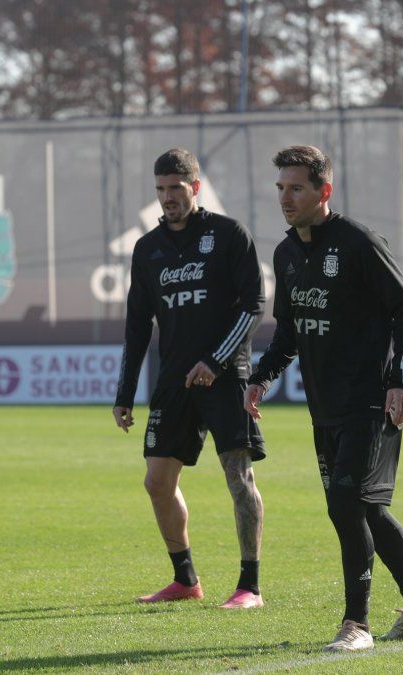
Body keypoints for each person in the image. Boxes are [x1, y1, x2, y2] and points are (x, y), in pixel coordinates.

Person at [245, 145, 403, 651]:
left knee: (345, 503)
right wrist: (261, 377)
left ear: (324, 191)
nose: (285, 198)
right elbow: (288, 331)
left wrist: (402, 380)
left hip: (371, 401)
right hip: (325, 406)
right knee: (364, 509)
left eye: (296, 188)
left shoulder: (359, 243)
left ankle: (356, 624)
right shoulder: (286, 254)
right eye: (281, 188)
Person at [114, 148, 266, 610]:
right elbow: (137, 325)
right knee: (156, 482)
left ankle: (249, 587)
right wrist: (124, 393)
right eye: (160, 189)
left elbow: (253, 306)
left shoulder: (228, 234)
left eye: (176, 188)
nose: (168, 198)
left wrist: (216, 361)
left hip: (226, 377)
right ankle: (185, 579)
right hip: (174, 381)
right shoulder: (148, 249)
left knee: (238, 478)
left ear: (194, 187)